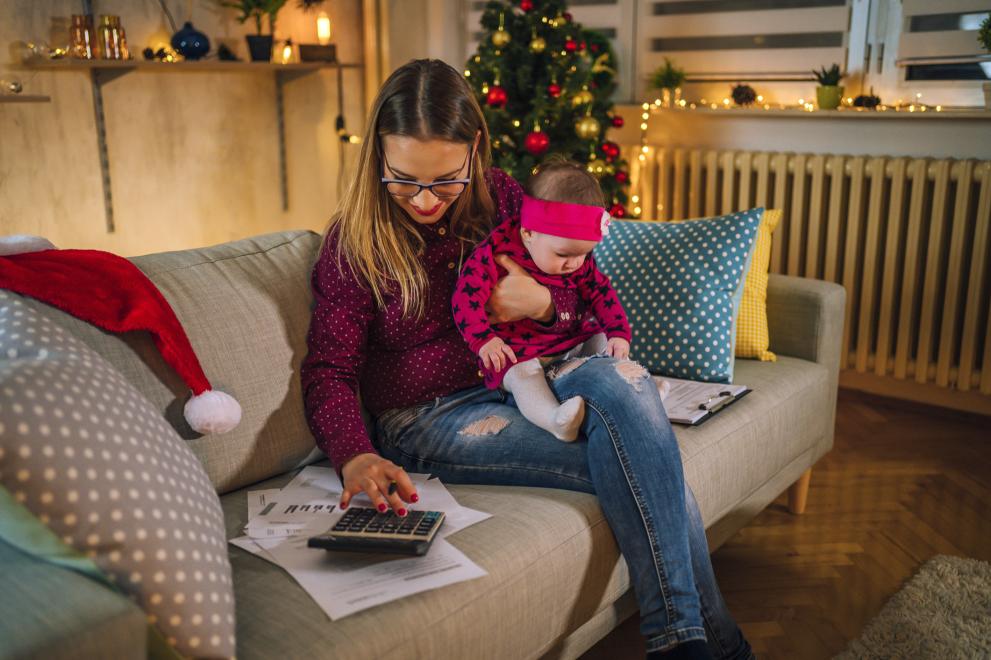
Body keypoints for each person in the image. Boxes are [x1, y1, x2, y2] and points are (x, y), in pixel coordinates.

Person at [301, 59, 755, 660]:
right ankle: (703, 647)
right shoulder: (354, 243)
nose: (426, 200)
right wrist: (354, 453)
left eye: (446, 180)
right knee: (644, 459)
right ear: (376, 157)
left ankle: (687, 643)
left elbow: (585, 295)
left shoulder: (509, 201)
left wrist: (543, 306)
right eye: (405, 180)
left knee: (627, 381)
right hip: (431, 418)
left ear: (475, 150)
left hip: (539, 374)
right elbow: (328, 369)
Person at [452, 160, 631, 442]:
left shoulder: (575, 258)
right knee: (521, 375)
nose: (575, 264)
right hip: (520, 353)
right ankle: (555, 420)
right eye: (563, 255)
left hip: (569, 343)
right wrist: (484, 339)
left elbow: (601, 292)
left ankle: (631, 388)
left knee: (602, 340)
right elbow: (465, 297)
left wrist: (618, 333)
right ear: (528, 233)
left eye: (584, 254)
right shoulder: (495, 252)